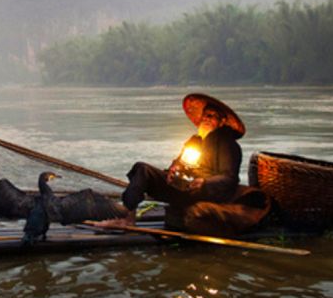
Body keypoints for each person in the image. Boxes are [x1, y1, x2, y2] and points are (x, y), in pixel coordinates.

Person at [112, 93, 270, 235]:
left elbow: (230, 178)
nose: (207, 119)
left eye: (213, 116)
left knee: (186, 192)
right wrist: (173, 170)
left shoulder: (227, 144)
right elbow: (179, 162)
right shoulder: (194, 141)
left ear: (221, 122)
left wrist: (205, 182)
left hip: (209, 192)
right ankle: (128, 218)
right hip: (185, 187)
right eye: (206, 115)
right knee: (143, 170)